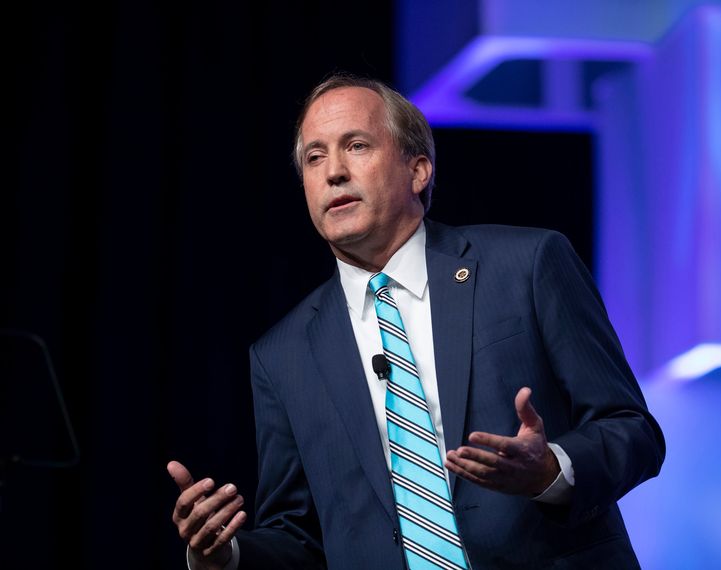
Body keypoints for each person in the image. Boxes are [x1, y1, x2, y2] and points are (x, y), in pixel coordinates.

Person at [168, 74, 664, 569]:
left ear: (418, 169)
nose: (333, 172)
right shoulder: (283, 354)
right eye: (314, 157)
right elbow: (298, 538)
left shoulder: (527, 264)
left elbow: (632, 429)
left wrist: (552, 470)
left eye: (356, 146)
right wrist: (225, 556)